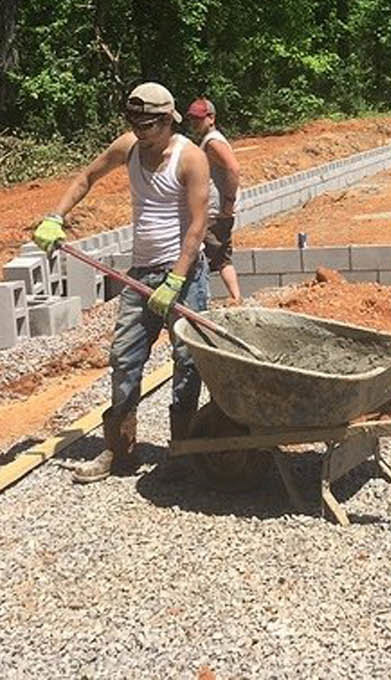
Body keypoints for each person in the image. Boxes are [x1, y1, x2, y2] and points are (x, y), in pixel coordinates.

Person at [32, 82, 210, 484]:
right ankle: (119, 449)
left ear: (168, 120)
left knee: (188, 360)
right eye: (135, 123)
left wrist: (176, 278)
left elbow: (198, 225)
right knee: (124, 357)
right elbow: (86, 177)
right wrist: (56, 216)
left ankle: (182, 451)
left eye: (148, 125)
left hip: (184, 276)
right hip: (141, 273)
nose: (140, 132)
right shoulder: (128, 147)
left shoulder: (190, 158)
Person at [184, 97, 243, 304]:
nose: (194, 123)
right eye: (192, 119)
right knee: (222, 256)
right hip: (219, 211)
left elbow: (233, 168)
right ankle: (235, 297)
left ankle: (198, 301)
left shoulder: (213, 142)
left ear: (211, 118)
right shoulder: (212, 140)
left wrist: (228, 201)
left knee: (199, 259)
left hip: (214, 212)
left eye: (199, 119)